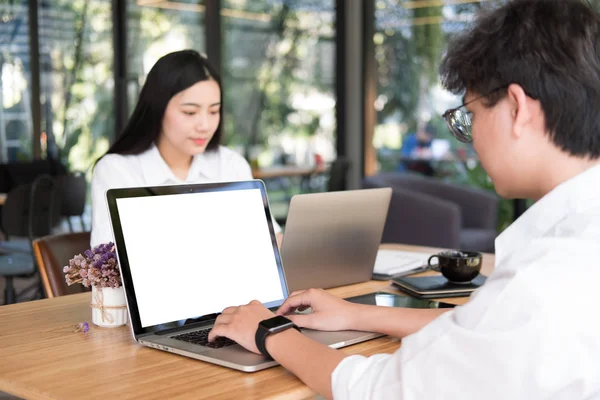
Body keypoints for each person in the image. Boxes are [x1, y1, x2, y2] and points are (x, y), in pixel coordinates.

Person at [206, 0, 600, 398]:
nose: (473, 136)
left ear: (517, 108)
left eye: (471, 115)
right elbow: (490, 335)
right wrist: (356, 313)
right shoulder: (576, 244)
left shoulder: (548, 278)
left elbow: (381, 390)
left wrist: (269, 332)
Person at [90, 50, 282, 247]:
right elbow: (108, 261)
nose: (205, 125)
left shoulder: (230, 164)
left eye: (214, 111)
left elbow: (271, 241)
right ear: (158, 108)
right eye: (190, 112)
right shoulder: (118, 170)